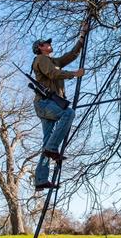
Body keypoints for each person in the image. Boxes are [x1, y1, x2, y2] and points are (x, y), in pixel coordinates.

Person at [31, 18, 89, 190]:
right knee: (68, 114)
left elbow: (71, 55)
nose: (49, 44)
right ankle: (52, 148)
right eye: (45, 43)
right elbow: (52, 74)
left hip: (49, 104)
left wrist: (82, 36)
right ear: (40, 48)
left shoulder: (54, 61)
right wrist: (74, 74)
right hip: (44, 104)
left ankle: (41, 179)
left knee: (47, 140)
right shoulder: (41, 59)